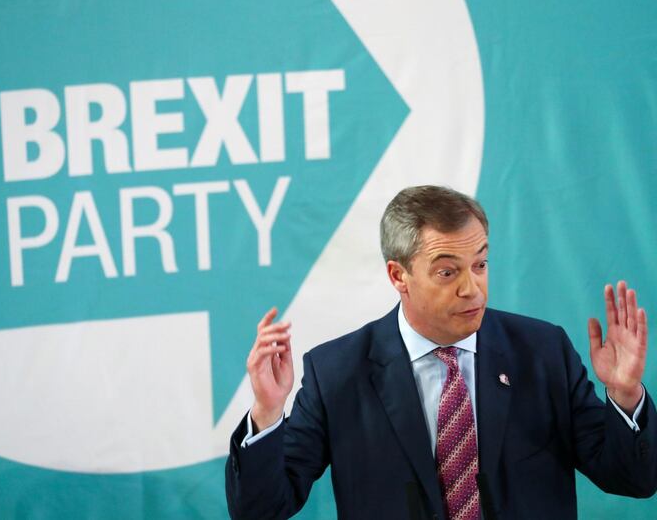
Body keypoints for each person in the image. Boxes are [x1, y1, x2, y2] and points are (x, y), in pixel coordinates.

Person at [224, 185, 657, 519]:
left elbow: (634, 480)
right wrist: (266, 411)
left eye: (480, 265)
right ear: (399, 275)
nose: (472, 288)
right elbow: (262, 510)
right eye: (447, 271)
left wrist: (624, 395)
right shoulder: (337, 372)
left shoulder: (543, 352)